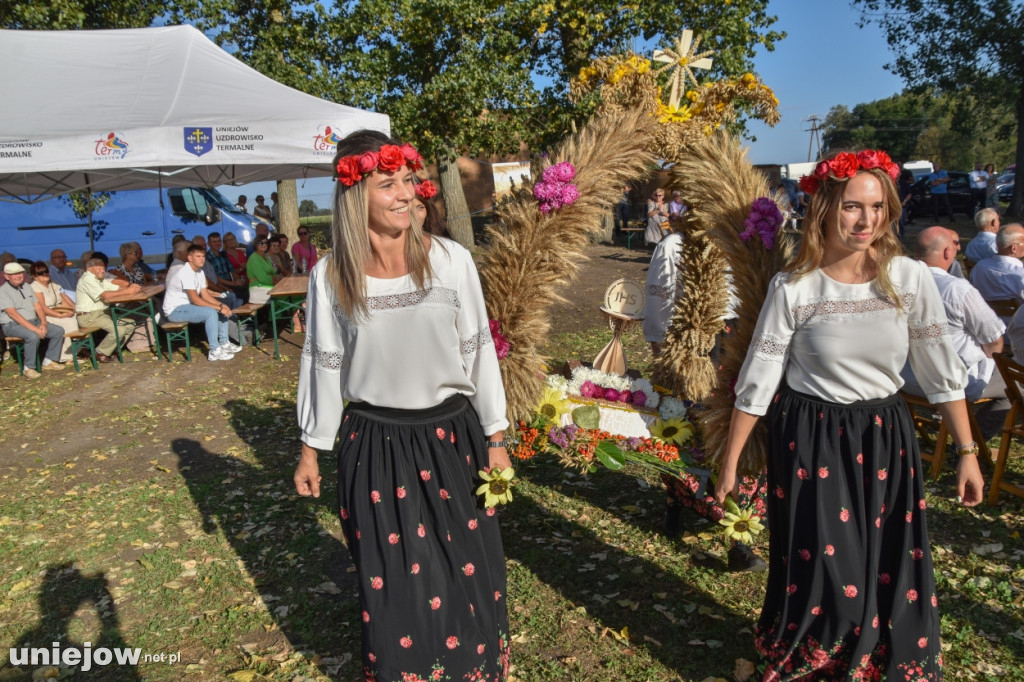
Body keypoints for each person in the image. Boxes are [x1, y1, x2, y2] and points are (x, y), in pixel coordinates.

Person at [714, 150, 983, 680]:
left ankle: (876, 652)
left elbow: (940, 372)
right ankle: (821, 653)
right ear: (824, 210)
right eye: (852, 208)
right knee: (827, 565)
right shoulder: (795, 288)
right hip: (810, 437)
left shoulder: (908, 278)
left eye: (877, 206)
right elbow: (758, 382)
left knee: (883, 557)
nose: (866, 221)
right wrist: (730, 460)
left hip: (884, 435)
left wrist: (968, 453)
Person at [293, 130, 511, 681]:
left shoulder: (451, 261)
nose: (405, 195)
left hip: (453, 439)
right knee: (393, 588)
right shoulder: (329, 275)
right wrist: (312, 449)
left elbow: (478, 351)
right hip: (375, 446)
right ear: (354, 196)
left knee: (471, 576)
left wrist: (497, 437)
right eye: (386, 184)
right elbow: (322, 363)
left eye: (407, 181)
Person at [642, 222, 764, 571]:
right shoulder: (675, 244)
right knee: (689, 431)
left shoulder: (741, 235)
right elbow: (658, 302)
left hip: (740, 342)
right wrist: (665, 357)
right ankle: (677, 501)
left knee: (739, 435)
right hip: (692, 348)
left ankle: (739, 535)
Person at [901, 227, 1007, 439]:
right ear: (948, 253)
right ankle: (972, 442)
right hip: (950, 381)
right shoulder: (957, 289)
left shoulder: (898, 284)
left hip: (907, 378)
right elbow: (994, 341)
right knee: (1014, 389)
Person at [163, 244, 242, 361]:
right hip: (175, 310)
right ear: (190, 258)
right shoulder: (185, 272)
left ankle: (224, 343)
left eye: (203, 256)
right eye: (198, 256)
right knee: (211, 312)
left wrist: (220, 306)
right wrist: (217, 307)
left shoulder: (199, 272)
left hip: (187, 307)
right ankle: (214, 350)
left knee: (221, 306)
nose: (202, 259)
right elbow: (195, 299)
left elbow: (205, 295)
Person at [1, 262, 66, 378]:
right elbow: (13, 314)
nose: (18, 276)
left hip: (33, 320)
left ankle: (49, 360)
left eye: (20, 273)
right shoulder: (3, 291)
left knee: (58, 330)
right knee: (32, 336)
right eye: (14, 274)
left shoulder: (27, 286)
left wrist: (44, 323)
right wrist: (34, 329)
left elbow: (37, 306)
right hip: (12, 324)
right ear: (7, 276)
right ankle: (28, 368)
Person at [75, 257, 141, 363]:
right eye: (100, 268)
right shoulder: (87, 279)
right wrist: (128, 291)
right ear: (90, 268)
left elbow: (115, 288)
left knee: (130, 324)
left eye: (104, 268)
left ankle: (111, 351)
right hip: (89, 316)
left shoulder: (98, 279)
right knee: (118, 330)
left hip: (102, 315)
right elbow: (106, 296)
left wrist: (134, 288)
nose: (103, 270)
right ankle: (100, 352)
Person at [968, 223, 1024, 313]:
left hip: (985, 318)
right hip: (1016, 323)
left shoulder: (979, 267)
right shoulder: (1019, 274)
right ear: (1014, 248)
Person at [30, 261, 79, 363]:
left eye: (46, 271)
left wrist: (73, 309)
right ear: (34, 276)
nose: (44, 274)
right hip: (45, 315)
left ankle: (77, 351)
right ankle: (66, 356)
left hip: (58, 310)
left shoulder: (53, 284)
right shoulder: (35, 287)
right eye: (40, 273)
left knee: (77, 318)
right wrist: (60, 316)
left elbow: (64, 298)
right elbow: (42, 307)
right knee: (69, 322)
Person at [246, 235, 280, 304]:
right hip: (259, 289)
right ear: (256, 244)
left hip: (269, 286)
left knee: (294, 296)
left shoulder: (266, 257)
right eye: (260, 243)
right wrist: (274, 279)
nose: (263, 245)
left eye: (266, 243)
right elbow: (262, 278)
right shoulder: (254, 258)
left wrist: (272, 276)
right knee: (286, 297)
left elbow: (273, 272)